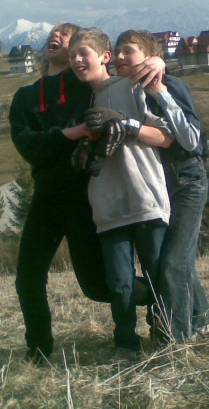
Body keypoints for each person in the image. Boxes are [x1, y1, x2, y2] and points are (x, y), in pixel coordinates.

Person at [9, 23, 165, 363]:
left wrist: (156, 62)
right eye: (53, 34)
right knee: (28, 278)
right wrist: (75, 131)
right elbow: (28, 146)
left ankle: (165, 297)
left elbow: (130, 79)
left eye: (65, 35)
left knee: (98, 286)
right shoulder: (25, 97)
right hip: (47, 197)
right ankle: (38, 351)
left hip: (86, 197)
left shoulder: (89, 87)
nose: (55, 37)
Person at [68, 27, 173, 356]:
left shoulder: (131, 86)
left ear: (105, 56)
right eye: (72, 56)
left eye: (83, 53)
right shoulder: (85, 101)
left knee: (156, 275)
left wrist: (126, 125)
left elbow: (166, 137)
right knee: (119, 283)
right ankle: (126, 344)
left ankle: (165, 336)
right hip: (107, 204)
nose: (76, 60)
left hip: (144, 197)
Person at [113, 30, 209, 343]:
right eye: (117, 51)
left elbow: (192, 141)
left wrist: (159, 91)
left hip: (186, 180)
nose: (119, 57)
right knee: (173, 262)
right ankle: (201, 319)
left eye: (128, 50)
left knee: (174, 263)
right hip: (157, 185)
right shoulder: (123, 92)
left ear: (149, 56)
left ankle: (176, 340)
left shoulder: (171, 84)